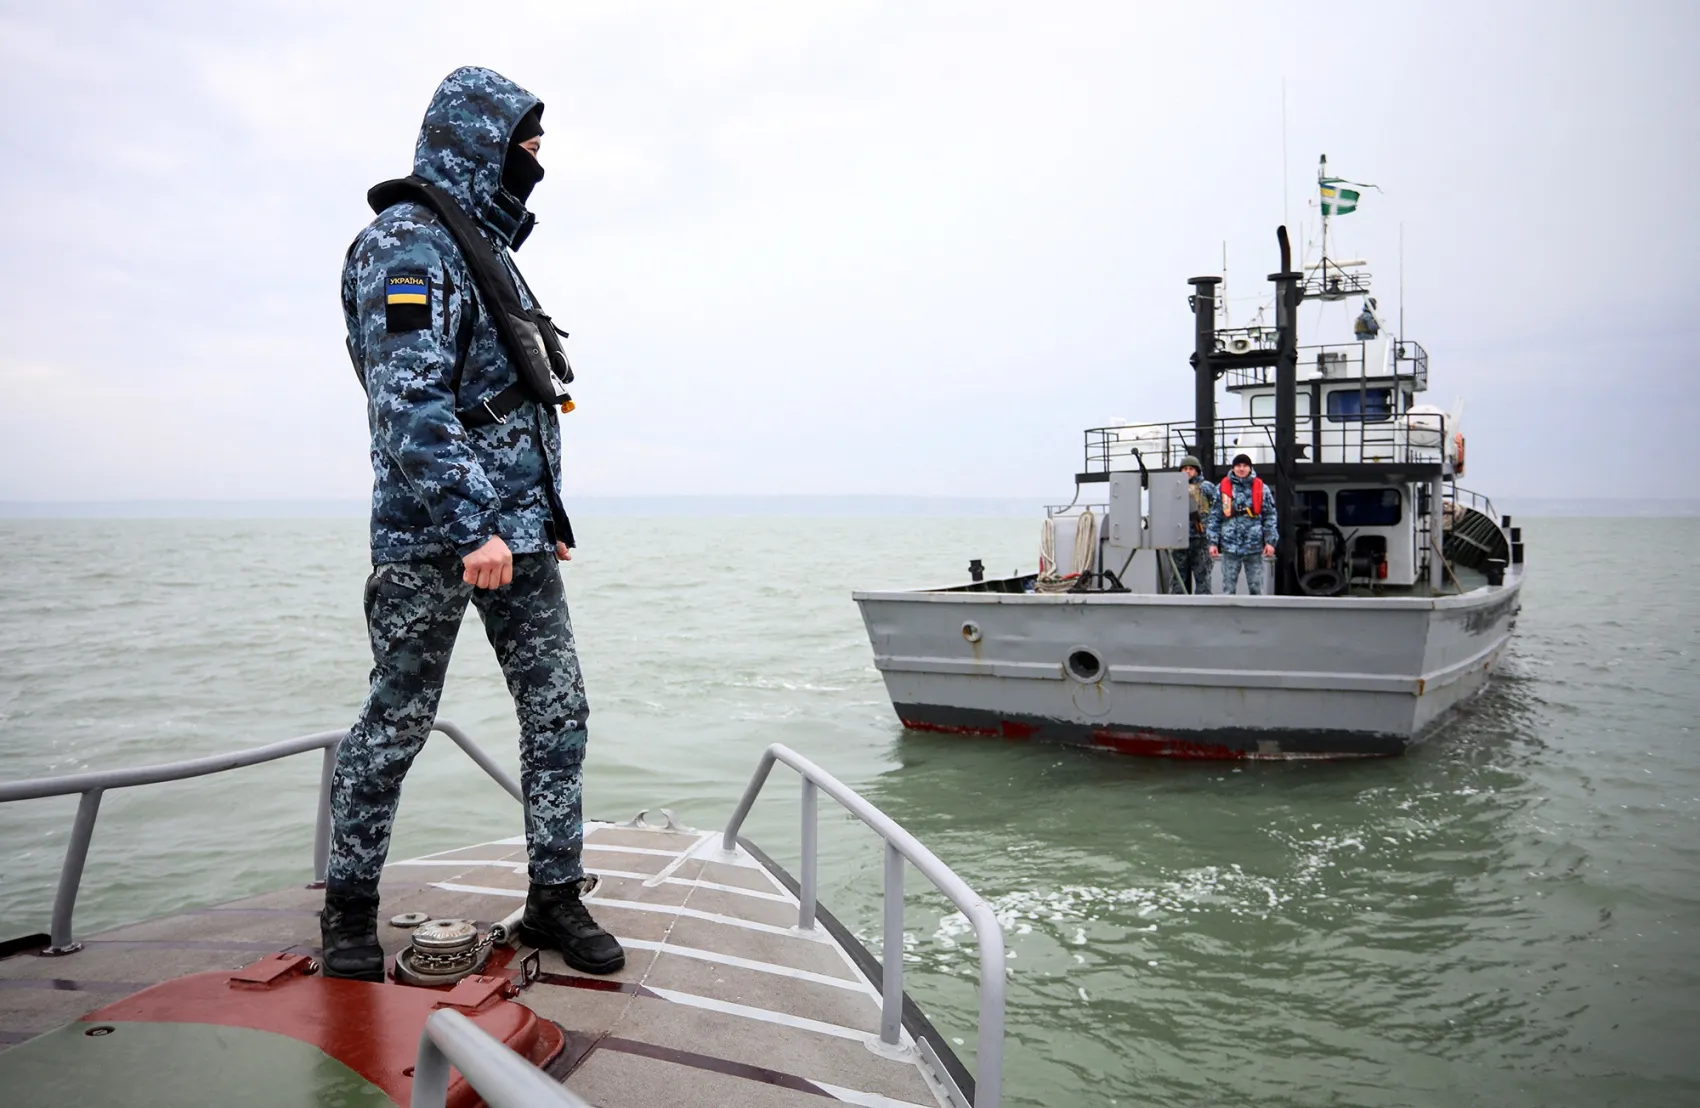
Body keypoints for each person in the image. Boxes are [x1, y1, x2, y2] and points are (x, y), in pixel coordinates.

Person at [321, 67, 623, 981]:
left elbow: (516, 400)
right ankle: (348, 910)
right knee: (399, 720)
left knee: (559, 711)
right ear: (478, 144)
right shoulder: (405, 247)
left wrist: (544, 517)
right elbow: (409, 407)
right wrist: (471, 527)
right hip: (436, 540)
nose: (535, 164)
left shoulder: (485, 250)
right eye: (525, 148)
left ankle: (554, 896)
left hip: (518, 539)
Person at [1208, 453, 1278, 596]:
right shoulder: (1222, 488)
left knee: (1256, 588)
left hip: (1254, 546)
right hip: (1230, 546)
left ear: (1250, 468)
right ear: (1233, 468)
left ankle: (1257, 617)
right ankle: (1228, 618)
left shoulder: (1261, 488)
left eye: (1245, 466)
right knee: (1228, 588)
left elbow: (1270, 516)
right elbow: (1215, 516)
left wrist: (1270, 542)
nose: (1241, 469)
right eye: (1238, 466)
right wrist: (1212, 542)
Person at [1171, 455, 1218, 594]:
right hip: (1179, 538)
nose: (1187, 471)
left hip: (1200, 538)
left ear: (1197, 471)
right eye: (1184, 468)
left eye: (1191, 469)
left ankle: (1203, 607)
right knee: (1178, 577)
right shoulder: (1176, 487)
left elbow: (1216, 509)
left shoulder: (1206, 487)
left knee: (1203, 576)